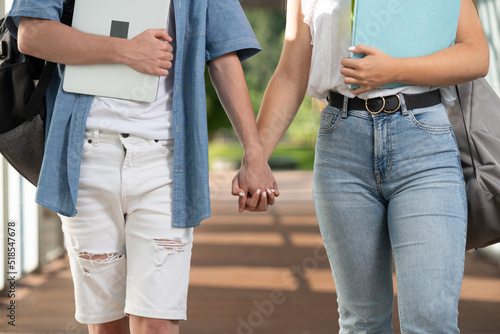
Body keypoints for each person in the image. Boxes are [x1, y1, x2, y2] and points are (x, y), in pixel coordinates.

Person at [7, 0, 278, 333]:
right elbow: (32, 35)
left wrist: (255, 154)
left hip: (167, 162)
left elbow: (223, 56)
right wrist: (126, 52)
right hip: (85, 157)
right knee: (106, 324)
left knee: (157, 322)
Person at [233, 0, 489, 332]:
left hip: (424, 144)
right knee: (361, 322)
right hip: (342, 148)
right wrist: (255, 158)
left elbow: (476, 53)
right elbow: (291, 72)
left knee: (432, 319)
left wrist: (395, 70)